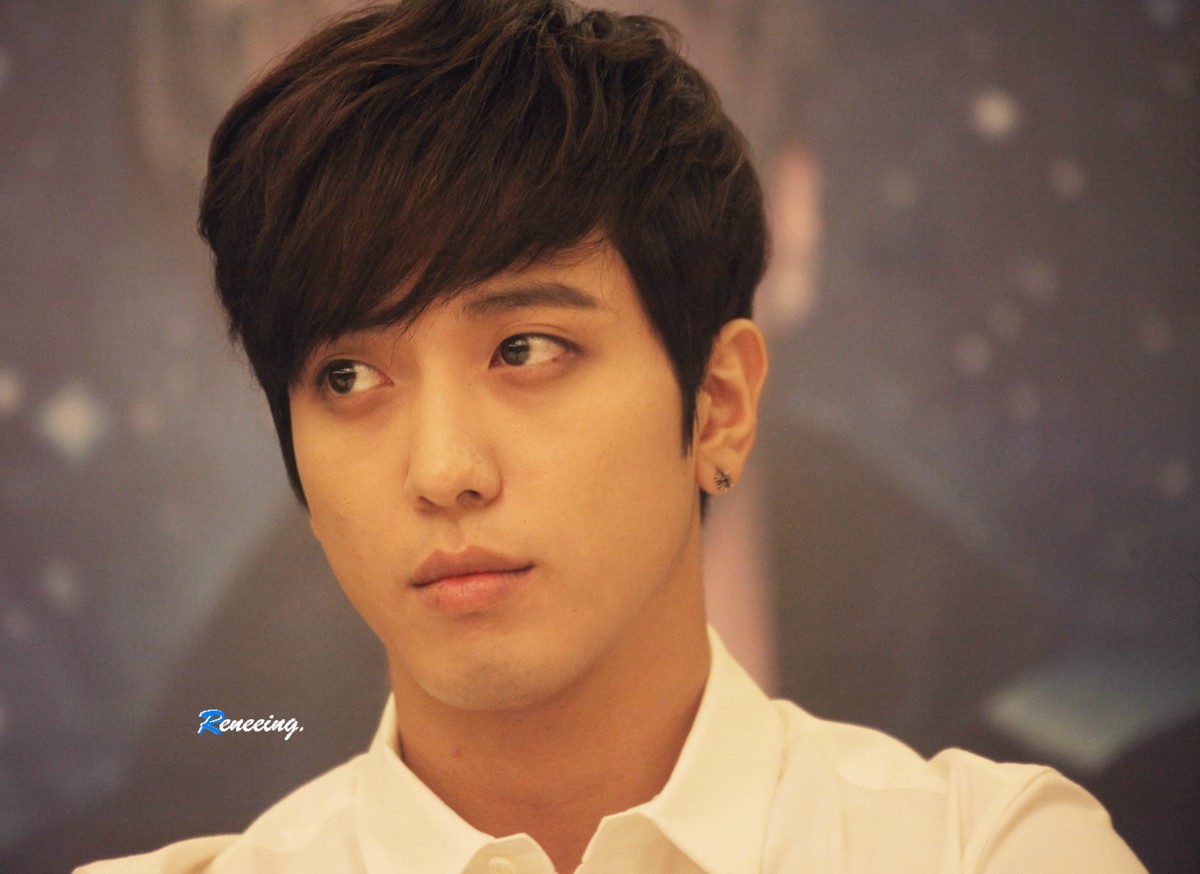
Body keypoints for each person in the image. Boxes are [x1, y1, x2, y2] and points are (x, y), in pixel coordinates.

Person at [78, 0, 1146, 871]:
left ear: (719, 401)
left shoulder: (989, 846)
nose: (443, 469)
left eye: (526, 350)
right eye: (348, 376)